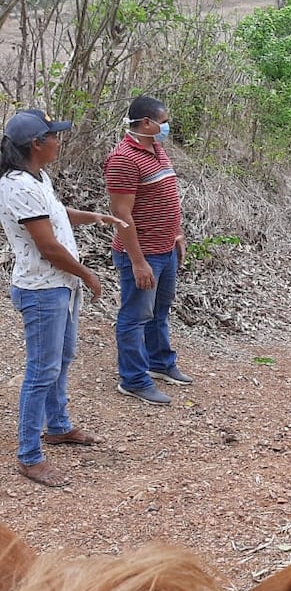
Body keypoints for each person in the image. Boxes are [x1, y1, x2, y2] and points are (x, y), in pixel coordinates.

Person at [0, 110, 126, 486]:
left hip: (59, 286)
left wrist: (97, 217)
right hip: (43, 289)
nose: (59, 140)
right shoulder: (17, 186)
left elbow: (54, 214)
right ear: (37, 144)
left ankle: (58, 426)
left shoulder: (37, 178)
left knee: (62, 358)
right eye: (54, 135)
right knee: (42, 370)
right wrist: (88, 275)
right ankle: (29, 455)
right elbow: (47, 247)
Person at [105, 95, 191, 406]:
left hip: (165, 249)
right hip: (142, 254)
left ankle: (160, 363)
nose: (166, 127)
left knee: (159, 312)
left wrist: (177, 233)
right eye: (163, 121)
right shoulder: (123, 160)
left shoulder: (157, 149)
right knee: (135, 316)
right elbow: (122, 216)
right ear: (146, 123)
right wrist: (138, 262)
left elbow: (166, 196)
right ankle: (133, 379)